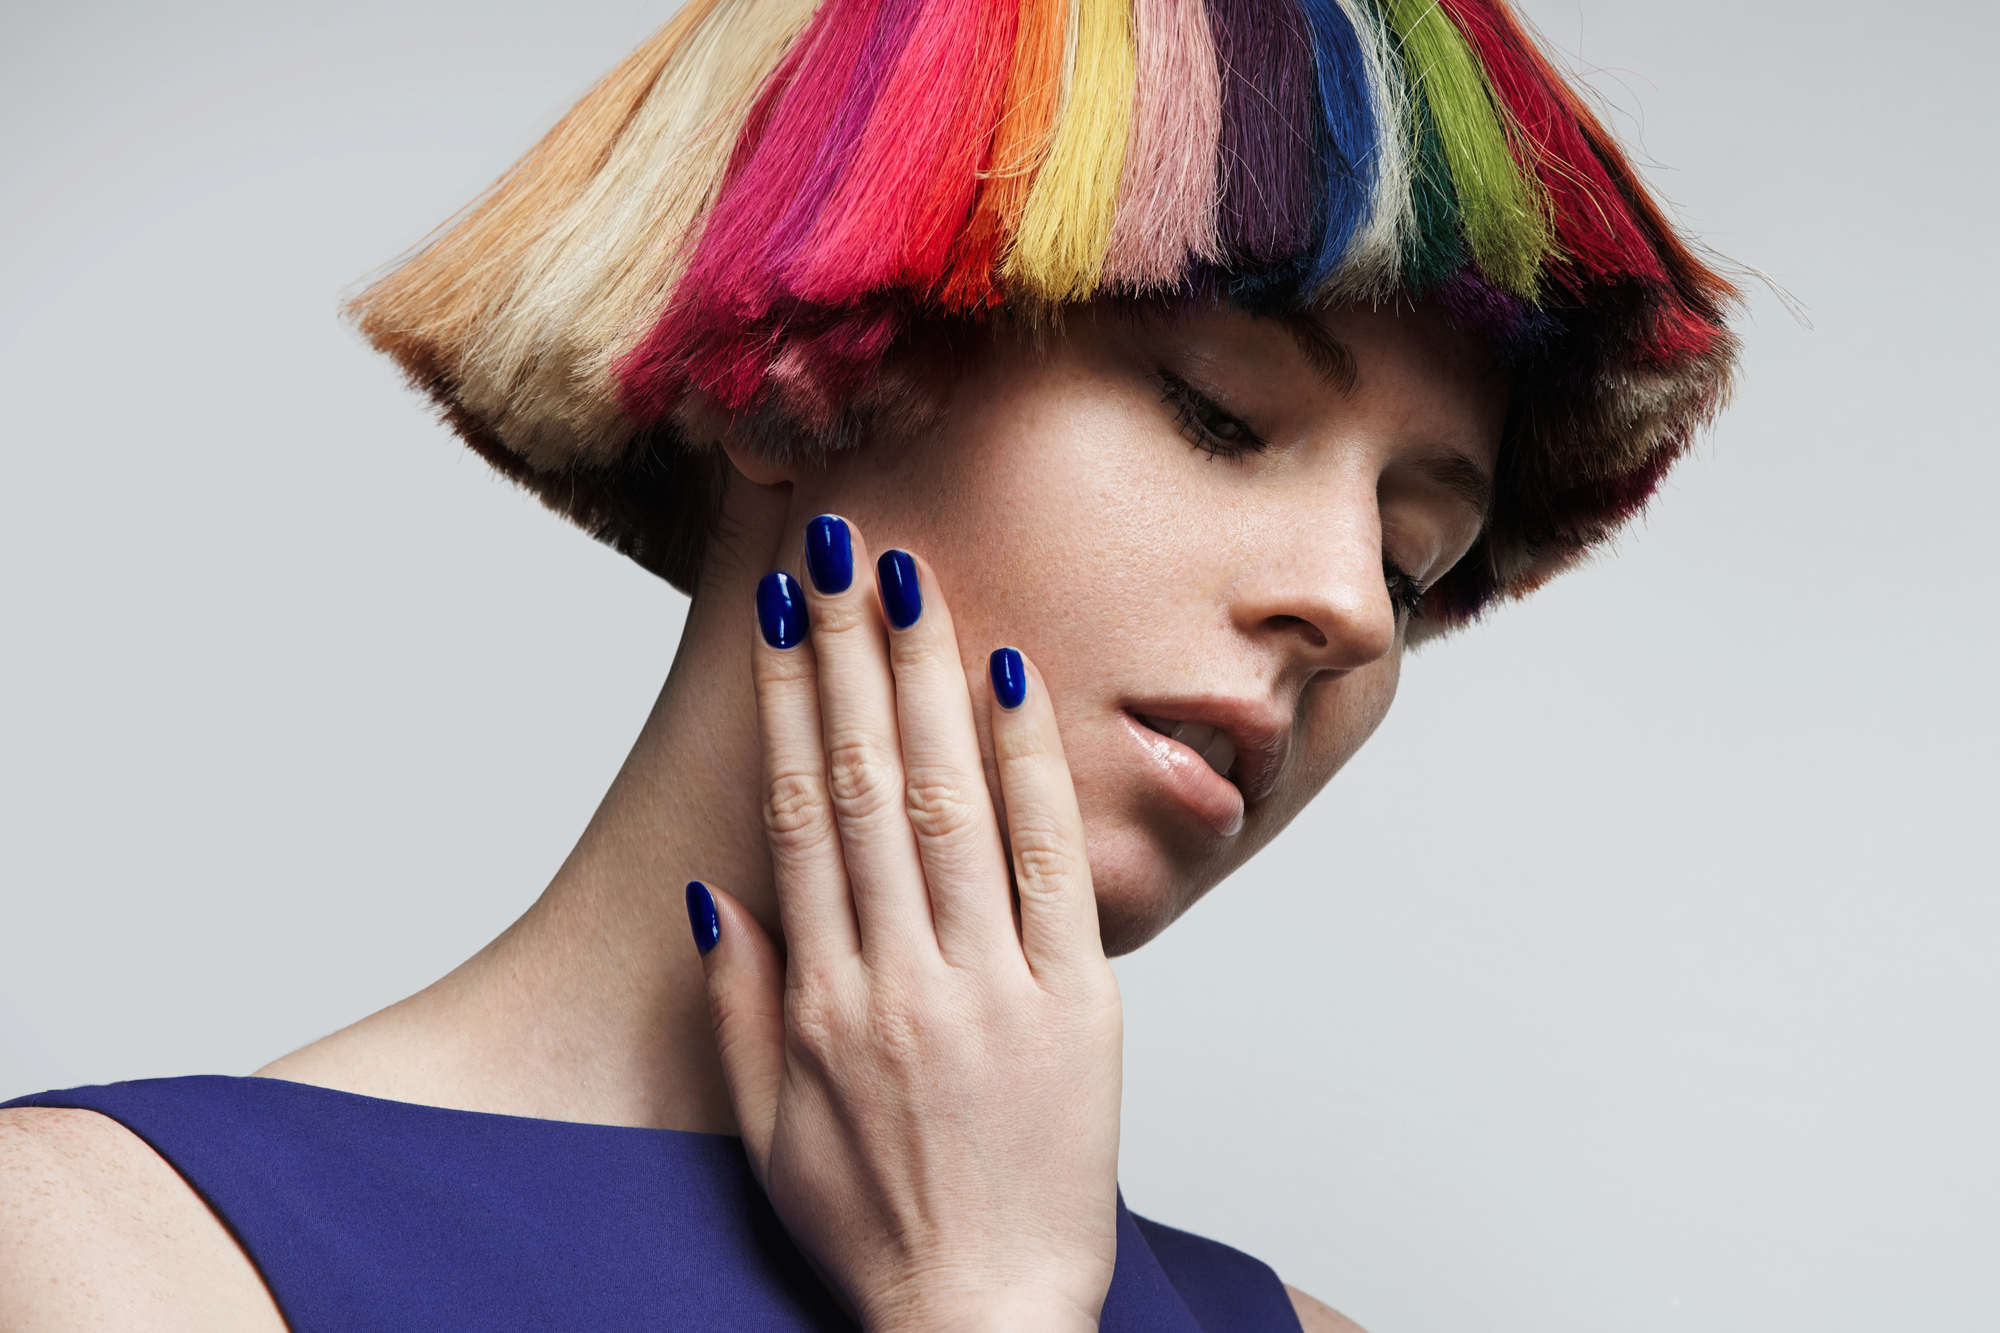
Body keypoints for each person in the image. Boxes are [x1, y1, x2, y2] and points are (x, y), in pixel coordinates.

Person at [0, 0, 1737, 1327]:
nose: (1350, 608)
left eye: (1413, 552)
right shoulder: (116, 1259)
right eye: (1223, 412)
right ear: (801, 375)